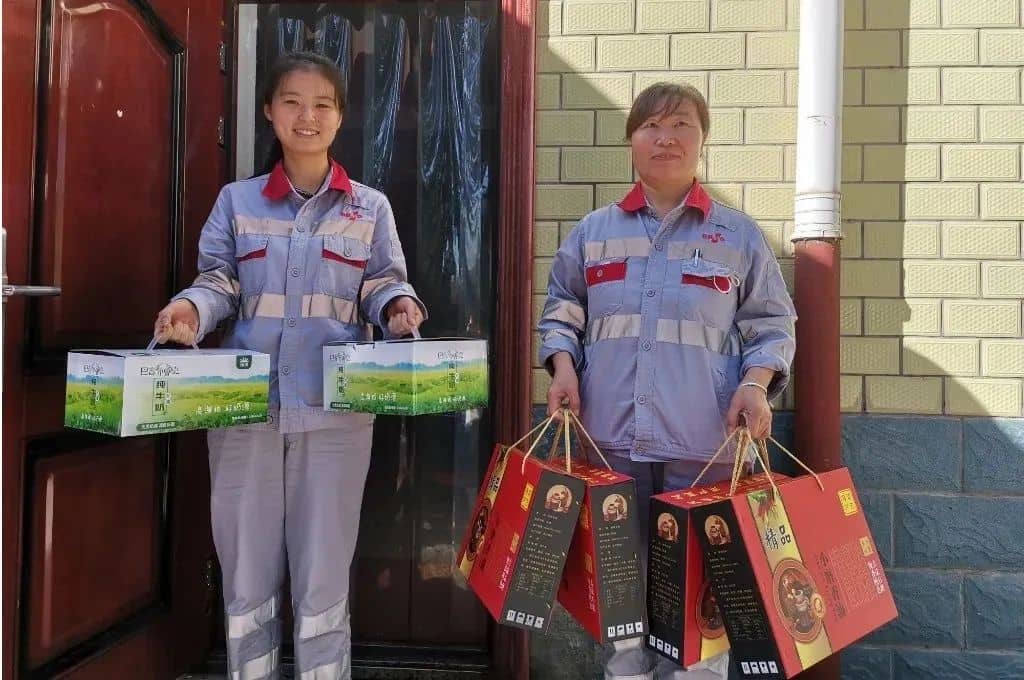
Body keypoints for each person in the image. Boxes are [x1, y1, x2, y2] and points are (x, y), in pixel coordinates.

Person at [153, 51, 425, 680]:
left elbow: (382, 283)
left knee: (324, 577)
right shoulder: (237, 202)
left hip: (335, 416)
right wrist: (190, 310)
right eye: (293, 102)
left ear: (340, 117)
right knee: (246, 575)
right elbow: (218, 281)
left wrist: (399, 306)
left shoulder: (369, 208)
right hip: (246, 413)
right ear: (270, 112)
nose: (308, 116)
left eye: (323, 104)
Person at [538, 82, 796, 680]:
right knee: (622, 606)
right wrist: (562, 368)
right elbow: (561, 313)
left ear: (702, 140)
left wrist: (756, 384)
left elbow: (771, 324)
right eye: (651, 125)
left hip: (705, 450)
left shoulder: (737, 237)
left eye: (681, 124)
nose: (666, 138)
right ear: (631, 139)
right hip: (611, 444)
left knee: (701, 611)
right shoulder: (594, 232)